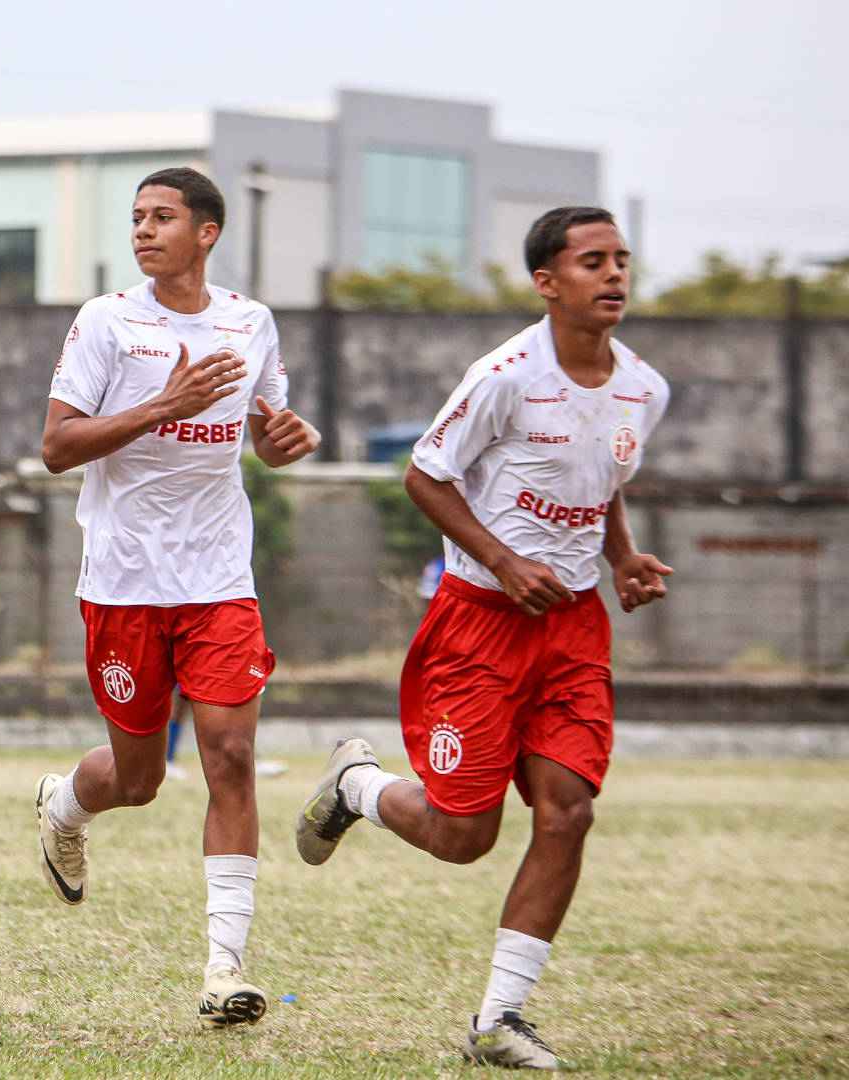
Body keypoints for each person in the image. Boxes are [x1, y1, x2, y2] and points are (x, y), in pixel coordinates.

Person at [294, 207, 671, 1070]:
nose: (613, 275)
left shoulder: (645, 389)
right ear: (547, 282)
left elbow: (601, 476)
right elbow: (424, 475)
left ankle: (499, 1020)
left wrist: (622, 558)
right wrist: (501, 561)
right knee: (465, 836)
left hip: (573, 626)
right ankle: (358, 786)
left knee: (567, 812)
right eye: (591, 262)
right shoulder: (505, 375)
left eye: (620, 260)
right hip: (479, 622)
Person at [32, 167, 320, 1027]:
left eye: (163, 217)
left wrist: (286, 438)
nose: (144, 231)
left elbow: (267, 436)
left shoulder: (250, 322)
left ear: (208, 232)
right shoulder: (107, 320)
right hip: (123, 581)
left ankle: (224, 967)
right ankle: (63, 805)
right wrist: (163, 406)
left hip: (218, 578)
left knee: (228, 757)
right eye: (136, 218)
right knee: (140, 777)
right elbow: (56, 447)